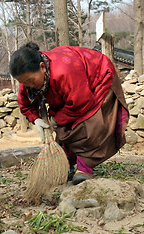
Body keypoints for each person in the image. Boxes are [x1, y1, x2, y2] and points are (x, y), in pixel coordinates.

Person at [9, 42, 129, 185]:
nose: (28, 86)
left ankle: (84, 167)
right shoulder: (27, 78)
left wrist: (56, 120)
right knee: (64, 128)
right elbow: (25, 103)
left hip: (98, 78)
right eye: (23, 83)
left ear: (42, 67)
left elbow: (80, 103)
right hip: (73, 92)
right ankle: (68, 165)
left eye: (30, 81)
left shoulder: (64, 69)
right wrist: (35, 119)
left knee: (88, 124)